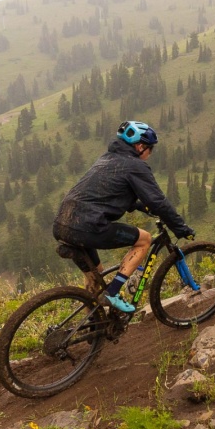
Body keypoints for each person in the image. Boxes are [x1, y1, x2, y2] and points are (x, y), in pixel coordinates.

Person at [53, 120, 194, 313]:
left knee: (96, 276)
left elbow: (110, 193)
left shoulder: (107, 158)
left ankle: (94, 326)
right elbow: (158, 201)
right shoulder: (135, 166)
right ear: (140, 146)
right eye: (150, 149)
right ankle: (113, 293)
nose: (149, 155)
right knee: (144, 239)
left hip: (62, 224)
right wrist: (180, 227)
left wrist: (141, 207)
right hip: (89, 226)